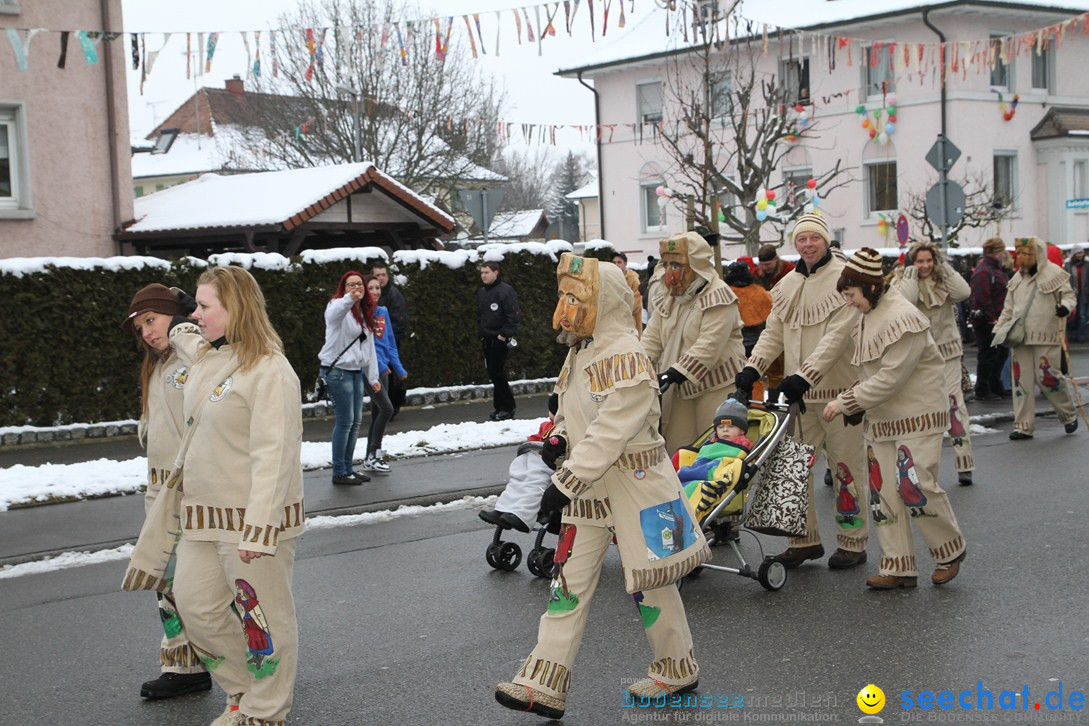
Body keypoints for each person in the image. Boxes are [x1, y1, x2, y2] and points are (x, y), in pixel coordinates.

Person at [495, 254, 709, 720]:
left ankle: (676, 668)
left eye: (576, 297)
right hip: (590, 489)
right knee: (565, 584)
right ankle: (542, 682)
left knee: (652, 586)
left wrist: (565, 480)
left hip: (636, 486)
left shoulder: (627, 355)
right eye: (563, 296)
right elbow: (577, 417)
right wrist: (557, 439)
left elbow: (613, 429)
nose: (566, 306)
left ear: (604, 301)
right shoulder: (582, 349)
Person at [172, 265, 304, 725]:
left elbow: (276, 455)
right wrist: (172, 322)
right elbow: (184, 336)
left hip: (252, 523)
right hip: (204, 519)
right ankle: (244, 692)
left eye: (205, 306)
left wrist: (260, 528)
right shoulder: (211, 356)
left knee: (264, 620)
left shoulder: (270, 370)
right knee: (194, 607)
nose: (196, 313)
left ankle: (265, 712)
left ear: (236, 310)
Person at [821, 248, 967, 590]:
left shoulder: (904, 317)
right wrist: (857, 402)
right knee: (882, 490)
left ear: (870, 289)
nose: (849, 302)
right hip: (883, 418)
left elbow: (891, 377)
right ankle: (898, 565)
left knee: (914, 485)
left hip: (918, 415)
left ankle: (949, 550)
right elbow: (870, 370)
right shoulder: (865, 314)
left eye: (852, 295)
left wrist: (847, 402)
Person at [734, 213, 869, 570]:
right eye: (802, 239)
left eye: (815, 238)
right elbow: (773, 333)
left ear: (825, 240)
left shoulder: (845, 280)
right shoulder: (789, 284)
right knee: (795, 469)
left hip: (838, 394)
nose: (808, 245)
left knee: (846, 470)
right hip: (800, 398)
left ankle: (853, 542)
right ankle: (804, 540)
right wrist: (752, 368)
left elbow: (837, 339)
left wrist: (804, 376)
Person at [122, 283, 212, 701]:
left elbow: (216, 369)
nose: (146, 332)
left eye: (151, 320)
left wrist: (186, 327)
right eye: (140, 326)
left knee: (212, 585)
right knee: (167, 581)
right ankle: (184, 665)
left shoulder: (193, 355)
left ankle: (256, 661)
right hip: (160, 496)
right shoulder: (157, 367)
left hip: (195, 491)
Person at [641, 231, 746, 453]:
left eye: (677, 265)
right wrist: (637, 365)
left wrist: (674, 373)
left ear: (695, 265)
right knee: (678, 449)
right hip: (679, 385)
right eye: (667, 264)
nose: (670, 272)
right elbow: (652, 337)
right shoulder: (668, 296)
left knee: (715, 450)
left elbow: (709, 344)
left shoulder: (719, 295)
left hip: (715, 385)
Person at [890, 242, 975, 486]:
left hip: (948, 354)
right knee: (923, 412)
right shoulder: (902, 280)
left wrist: (944, 268)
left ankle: (964, 463)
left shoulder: (943, 278)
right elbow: (904, 300)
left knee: (954, 407)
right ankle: (923, 469)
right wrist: (910, 274)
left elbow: (963, 293)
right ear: (911, 262)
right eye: (920, 261)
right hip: (919, 357)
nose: (925, 266)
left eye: (929, 261)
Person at [994, 236, 1079, 439]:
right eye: (1020, 253)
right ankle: (1023, 425)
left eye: (1026, 253)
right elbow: (1008, 308)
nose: (1022, 257)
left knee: (1048, 377)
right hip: (1020, 338)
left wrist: (1064, 308)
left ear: (1037, 254)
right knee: (1021, 382)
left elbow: (1069, 296)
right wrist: (999, 329)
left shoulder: (1055, 273)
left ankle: (1068, 414)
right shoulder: (1016, 278)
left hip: (1046, 335)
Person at [318, 270, 380, 485]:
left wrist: (373, 377)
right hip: (338, 371)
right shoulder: (337, 306)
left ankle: (348, 468)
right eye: (351, 285)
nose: (356, 289)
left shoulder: (363, 314)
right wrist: (347, 299)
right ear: (343, 288)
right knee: (345, 422)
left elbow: (369, 348)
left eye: (360, 285)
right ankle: (339, 471)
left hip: (354, 372)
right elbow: (333, 315)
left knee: (355, 422)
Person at [479, 394, 559, 532]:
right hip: (536, 456)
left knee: (534, 481)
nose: (549, 414)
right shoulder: (547, 425)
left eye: (552, 412)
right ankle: (503, 508)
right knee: (518, 475)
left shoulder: (567, 429)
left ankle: (524, 515)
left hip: (551, 462)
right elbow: (535, 438)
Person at [676, 397, 755, 524]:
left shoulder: (742, 444)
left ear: (742, 431)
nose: (725, 430)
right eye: (721, 426)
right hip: (702, 469)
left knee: (692, 489)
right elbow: (702, 459)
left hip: (718, 473)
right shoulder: (712, 442)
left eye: (731, 426)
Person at [362, 275, 407, 473]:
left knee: (378, 412)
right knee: (387, 409)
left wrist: (398, 368)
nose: (376, 291)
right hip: (370, 369)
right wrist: (380, 365)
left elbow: (389, 343)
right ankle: (374, 454)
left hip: (384, 370)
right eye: (371, 288)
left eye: (378, 288)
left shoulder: (383, 312)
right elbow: (365, 347)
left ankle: (370, 456)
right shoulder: (361, 314)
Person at [477, 261, 521, 421]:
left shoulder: (505, 291)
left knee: (497, 372)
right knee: (493, 373)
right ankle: (500, 407)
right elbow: (481, 315)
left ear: (496, 273)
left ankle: (508, 406)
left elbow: (513, 315)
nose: (483, 275)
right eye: (482, 272)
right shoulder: (483, 292)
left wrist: (504, 334)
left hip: (499, 338)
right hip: (487, 337)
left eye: (486, 272)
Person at [969, 238, 1011, 401]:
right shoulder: (985, 271)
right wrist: (992, 319)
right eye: (1001, 251)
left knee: (1000, 354)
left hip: (999, 319)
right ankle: (983, 388)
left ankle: (995, 385)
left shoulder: (994, 270)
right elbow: (982, 297)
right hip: (988, 321)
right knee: (988, 355)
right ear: (996, 252)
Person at [372, 262, 410, 416]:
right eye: (377, 276)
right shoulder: (375, 297)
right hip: (376, 343)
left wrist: (389, 340)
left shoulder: (393, 295)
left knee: (389, 376)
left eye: (383, 275)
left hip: (389, 342)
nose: (381, 279)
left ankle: (391, 406)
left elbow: (398, 320)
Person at [612, 251, 644, 334]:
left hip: (631, 324)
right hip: (614, 324)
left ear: (625, 263)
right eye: (614, 262)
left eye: (619, 262)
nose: (616, 265)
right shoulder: (611, 278)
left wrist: (617, 306)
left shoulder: (633, 279)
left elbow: (636, 303)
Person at [1064, 244, 1088, 343]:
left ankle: (1081, 336)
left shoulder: (1087, 264)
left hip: (1084, 293)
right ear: (1074, 254)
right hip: (1071, 293)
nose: (1080, 255)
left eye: (1081, 252)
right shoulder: (1068, 265)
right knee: (1072, 315)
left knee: (1083, 315)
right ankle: (1072, 336)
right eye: (1078, 253)